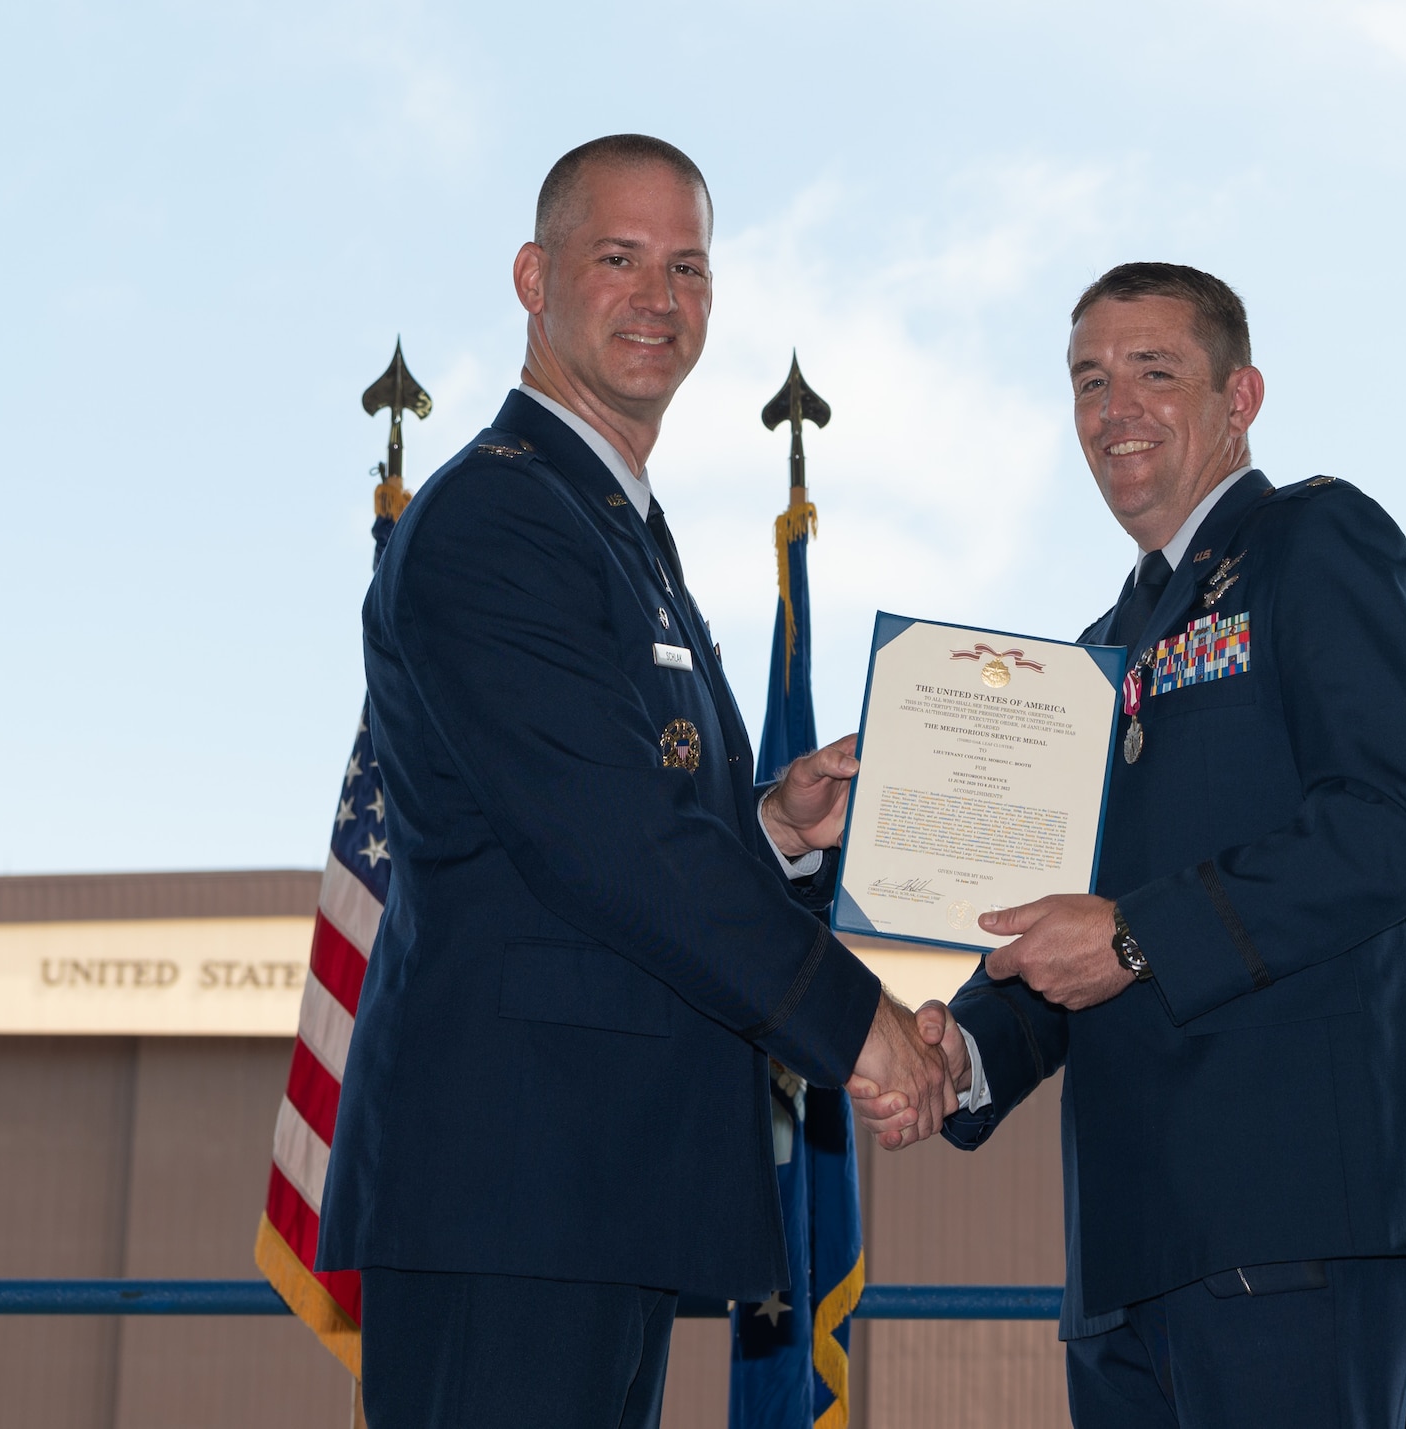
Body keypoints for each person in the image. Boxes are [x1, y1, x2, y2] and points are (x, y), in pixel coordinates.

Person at [316, 134, 952, 1429]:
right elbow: (614, 844)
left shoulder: (610, 529)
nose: (659, 298)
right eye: (619, 258)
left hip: (592, 1192)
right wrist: (858, 1024)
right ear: (532, 276)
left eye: (688, 267)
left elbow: (629, 817)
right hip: (513, 1194)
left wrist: (772, 827)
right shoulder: (498, 520)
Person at [854, 262, 1406, 1427]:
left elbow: (1402, 819)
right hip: (1125, 1241)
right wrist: (963, 1052)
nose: (1116, 411)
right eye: (1089, 382)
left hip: (1290, 1206)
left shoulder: (1315, 540)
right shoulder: (1094, 653)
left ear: (1239, 395)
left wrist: (1137, 936)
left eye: (1154, 372)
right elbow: (1071, 932)